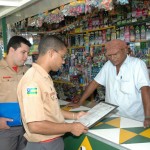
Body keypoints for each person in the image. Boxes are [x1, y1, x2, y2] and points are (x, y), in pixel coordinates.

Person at [17, 35, 88, 150]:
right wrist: (70, 127)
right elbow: (35, 125)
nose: (64, 61)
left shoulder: (44, 77)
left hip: (51, 142)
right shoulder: (33, 81)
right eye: (62, 57)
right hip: (43, 145)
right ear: (51, 53)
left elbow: (50, 110)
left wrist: (75, 116)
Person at [69, 39, 150, 128]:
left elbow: (145, 90)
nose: (112, 58)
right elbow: (94, 83)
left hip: (133, 120)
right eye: (109, 55)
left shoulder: (137, 64)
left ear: (126, 50)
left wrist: (147, 117)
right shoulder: (108, 65)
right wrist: (80, 102)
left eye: (115, 54)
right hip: (111, 117)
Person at [0, 36, 31, 150]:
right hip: (5, 129)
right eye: (23, 52)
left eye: (27, 53)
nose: (26, 57)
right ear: (12, 50)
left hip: (27, 129)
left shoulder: (28, 71)